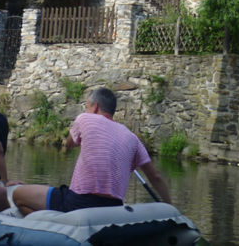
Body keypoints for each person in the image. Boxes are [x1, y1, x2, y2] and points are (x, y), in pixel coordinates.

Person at [11, 87, 171, 215]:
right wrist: (171, 209)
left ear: (95, 107)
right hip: (114, 208)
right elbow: (155, 176)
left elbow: (69, 143)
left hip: (79, 202)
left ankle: (51, 227)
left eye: (87, 106)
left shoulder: (85, 119)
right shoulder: (132, 138)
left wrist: (72, 142)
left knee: (18, 195)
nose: (86, 110)